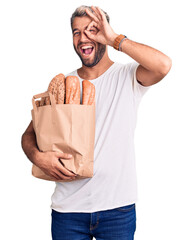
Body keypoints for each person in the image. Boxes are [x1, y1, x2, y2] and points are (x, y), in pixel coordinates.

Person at [21, 5, 172, 240]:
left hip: (117, 210)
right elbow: (29, 134)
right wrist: (37, 157)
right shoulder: (62, 83)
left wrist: (115, 39)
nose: (83, 38)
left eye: (92, 30)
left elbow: (163, 65)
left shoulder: (128, 77)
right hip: (68, 211)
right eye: (76, 32)